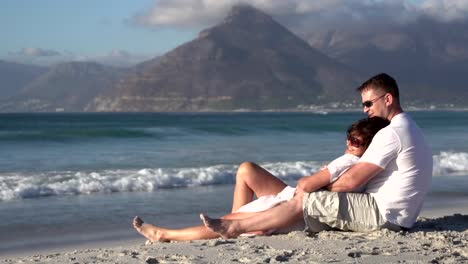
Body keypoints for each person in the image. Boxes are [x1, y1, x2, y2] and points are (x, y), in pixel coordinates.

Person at [201, 73, 433, 238]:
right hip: (399, 217)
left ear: (389, 99)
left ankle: (234, 227)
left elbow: (351, 181)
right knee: (304, 196)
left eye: (369, 103)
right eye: (364, 104)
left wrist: (317, 188)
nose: (365, 109)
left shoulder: (392, 133)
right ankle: (238, 223)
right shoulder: (409, 127)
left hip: (383, 216)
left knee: (307, 198)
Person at [133, 116, 390, 242]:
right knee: (247, 170)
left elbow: (307, 186)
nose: (348, 142)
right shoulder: (363, 163)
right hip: (292, 199)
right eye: (349, 136)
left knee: (227, 222)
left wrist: (315, 177)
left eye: (355, 140)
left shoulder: (351, 162)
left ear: (368, 145)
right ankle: (239, 220)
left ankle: (164, 234)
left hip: (294, 208)